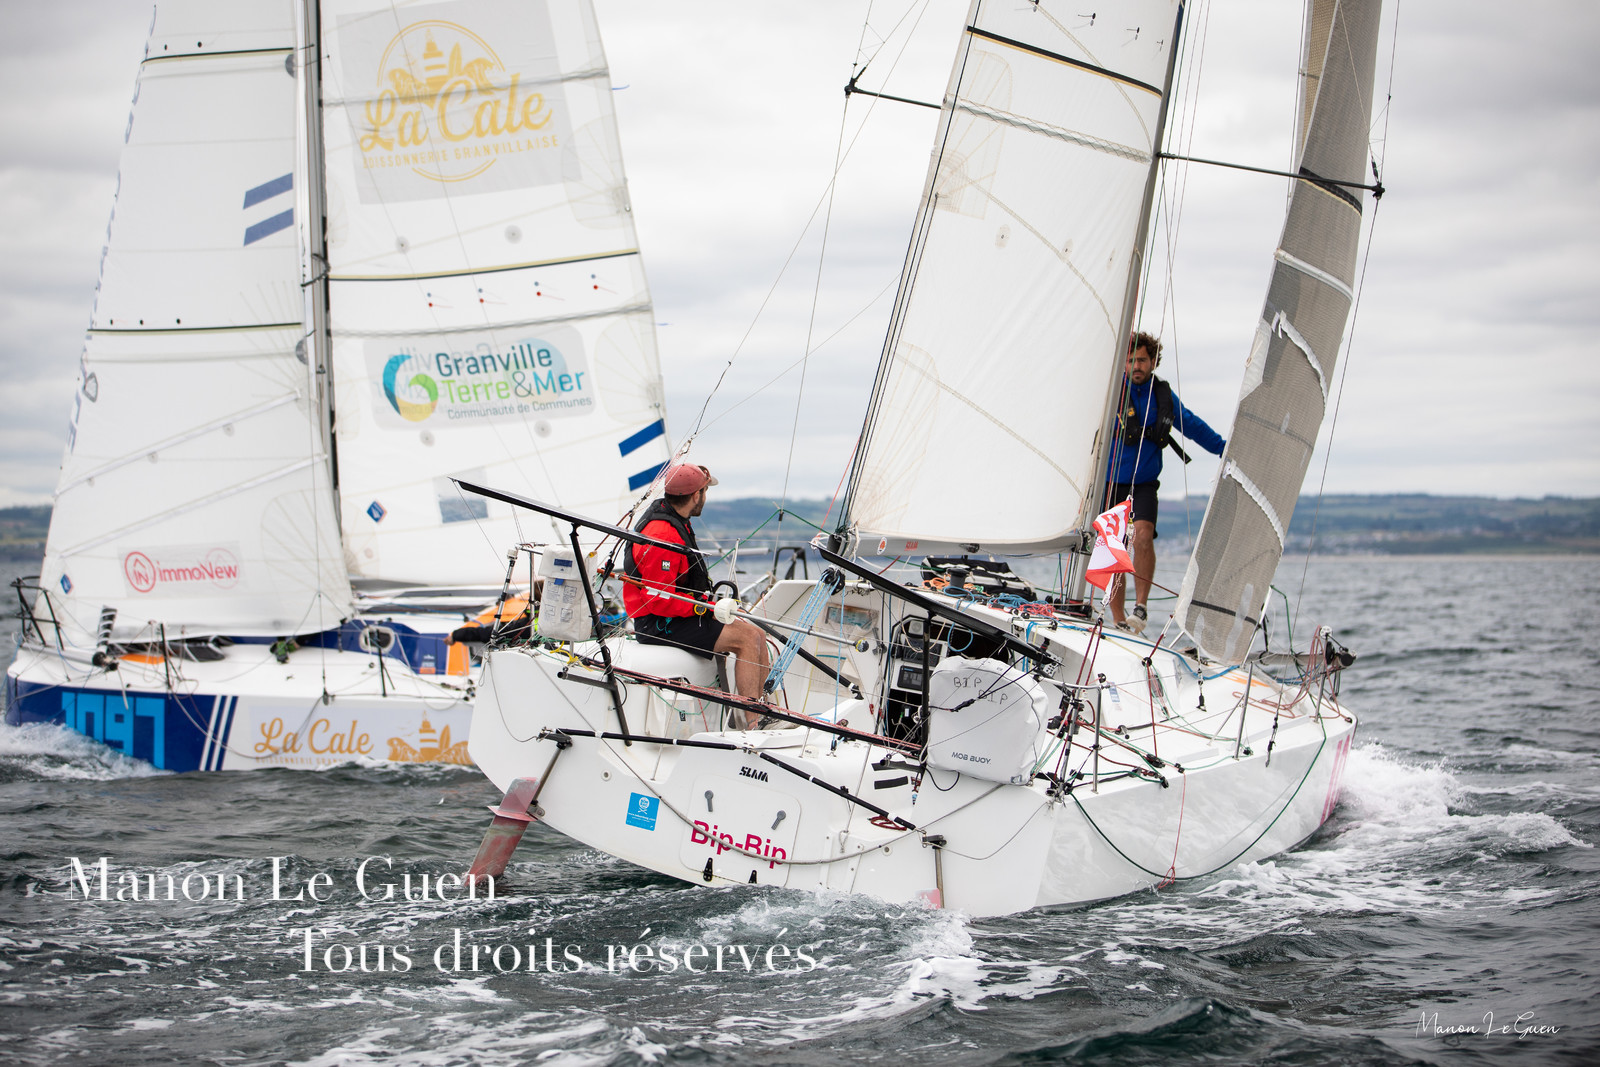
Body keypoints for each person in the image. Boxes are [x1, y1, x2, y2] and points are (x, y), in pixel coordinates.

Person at [622, 463, 771, 726]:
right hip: (656, 624)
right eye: (705, 491)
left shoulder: (675, 520)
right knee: (747, 639)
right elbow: (658, 600)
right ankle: (754, 723)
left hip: (676, 615)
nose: (705, 497)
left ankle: (765, 712)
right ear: (695, 495)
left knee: (758, 633)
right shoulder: (662, 535)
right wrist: (705, 608)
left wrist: (708, 604)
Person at [1103, 331, 1226, 635]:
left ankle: (1140, 607)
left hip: (1144, 484)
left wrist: (1224, 448)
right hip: (1111, 484)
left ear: (1153, 361)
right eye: (1131, 360)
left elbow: (1192, 425)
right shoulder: (1110, 392)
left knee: (1143, 537)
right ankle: (1118, 619)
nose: (1136, 366)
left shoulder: (1162, 396)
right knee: (1114, 550)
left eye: (1142, 360)